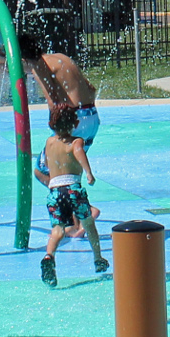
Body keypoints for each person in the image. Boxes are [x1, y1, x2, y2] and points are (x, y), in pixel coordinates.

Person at [34, 104, 107, 288]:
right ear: (75, 123)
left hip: (55, 191)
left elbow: (45, 164)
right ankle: (98, 259)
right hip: (73, 189)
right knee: (89, 224)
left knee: (58, 229)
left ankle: (48, 257)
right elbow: (78, 152)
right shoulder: (77, 142)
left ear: (51, 124)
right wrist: (88, 172)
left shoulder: (49, 143)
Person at [19, 32, 100, 155]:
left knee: (43, 170)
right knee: (72, 167)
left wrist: (56, 128)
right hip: (92, 118)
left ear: (22, 59)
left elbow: (53, 103)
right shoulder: (61, 57)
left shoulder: (39, 67)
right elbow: (91, 89)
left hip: (74, 120)